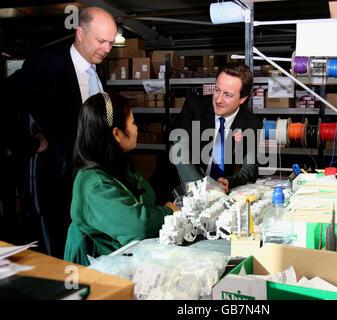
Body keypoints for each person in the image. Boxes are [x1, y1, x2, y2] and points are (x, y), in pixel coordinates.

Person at [4, 7, 117, 258]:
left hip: (90, 182)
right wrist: (27, 144)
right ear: (80, 33)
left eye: (110, 42)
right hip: (56, 182)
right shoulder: (47, 64)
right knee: (55, 253)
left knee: (82, 253)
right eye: (101, 41)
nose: (107, 49)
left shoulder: (97, 70)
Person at [64, 92, 177, 266]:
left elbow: (145, 200)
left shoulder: (118, 166)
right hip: (103, 273)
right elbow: (137, 225)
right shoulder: (95, 185)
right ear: (116, 133)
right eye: (132, 123)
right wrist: (168, 212)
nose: (136, 127)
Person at [172, 62, 262, 194]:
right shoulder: (194, 107)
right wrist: (203, 189)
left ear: (242, 98)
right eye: (217, 90)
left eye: (227, 95)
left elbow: (249, 168)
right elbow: (181, 153)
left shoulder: (252, 123)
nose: (218, 100)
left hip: (221, 193)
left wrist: (229, 182)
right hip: (184, 190)